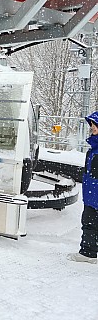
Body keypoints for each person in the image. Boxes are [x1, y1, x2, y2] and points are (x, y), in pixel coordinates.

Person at [67, 112, 98, 264]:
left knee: (90, 223)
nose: (92, 127)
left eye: (94, 125)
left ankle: (88, 253)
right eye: (91, 124)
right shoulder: (94, 148)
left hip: (95, 197)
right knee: (90, 222)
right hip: (92, 195)